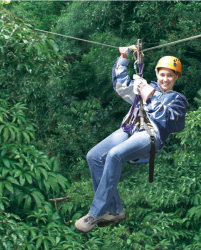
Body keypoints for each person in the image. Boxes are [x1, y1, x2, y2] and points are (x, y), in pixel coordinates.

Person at [74, 46, 188, 233]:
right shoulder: (144, 87)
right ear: (157, 74)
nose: (165, 79)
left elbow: (174, 124)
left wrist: (149, 97)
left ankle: (94, 214)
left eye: (170, 76)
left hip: (151, 135)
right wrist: (123, 57)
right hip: (130, 128)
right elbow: (120, 85)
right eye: (163, 75)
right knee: (93, 156)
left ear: (177, 77)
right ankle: (114, 210)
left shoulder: (177, 99)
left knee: (114, 155)